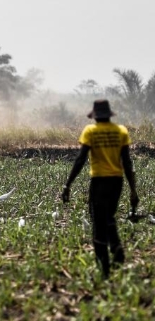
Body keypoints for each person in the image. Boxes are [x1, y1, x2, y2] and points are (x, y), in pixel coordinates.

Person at [60, 99, 139, 279]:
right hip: (116, 182)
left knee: (98, 221)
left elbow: (80, 160)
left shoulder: (90, 132)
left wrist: (68, 184)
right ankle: (117, 249)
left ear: (95, 115)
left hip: (99, 181)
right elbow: (127, 163)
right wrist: (133, 190)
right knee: (109, 217)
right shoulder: (121, 131)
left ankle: (103, 269)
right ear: (109, 114)